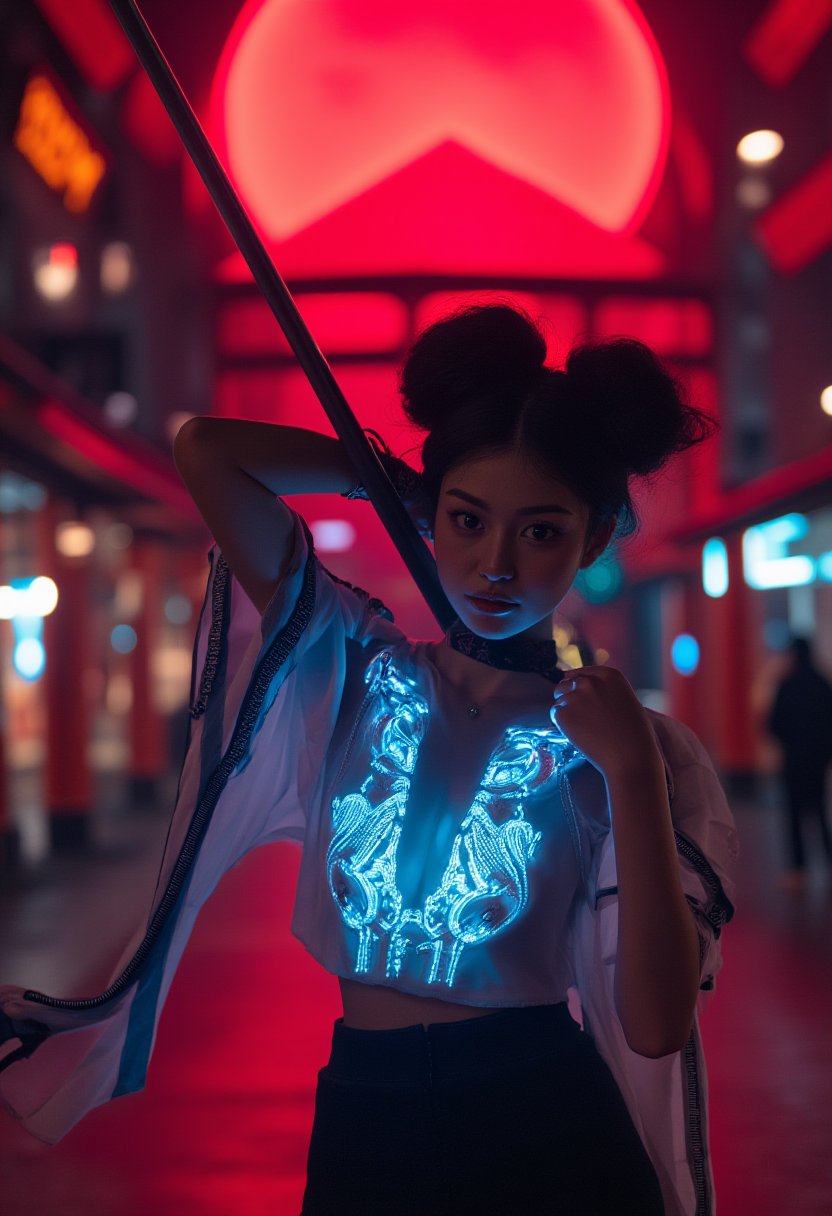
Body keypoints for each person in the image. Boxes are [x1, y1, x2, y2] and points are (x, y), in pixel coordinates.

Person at [0, 304, 737, 1216]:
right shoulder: (355, 663)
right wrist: (384, 481)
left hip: (547, 1130)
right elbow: (208, 451)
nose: (495, 563)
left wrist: (630, 776)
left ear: (591, 540)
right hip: (363, 1117)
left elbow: (659, 1026)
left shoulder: (618, 744)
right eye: (468, 520)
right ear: (432, 519)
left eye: (541, 531)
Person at [767, 635, 832, 891]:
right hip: (817, 760)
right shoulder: (822, 683)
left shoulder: (787, 684)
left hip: (793, 760)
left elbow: (774, 724)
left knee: (793, 815)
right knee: (819, 811)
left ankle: (798, 870)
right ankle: (828, 861)